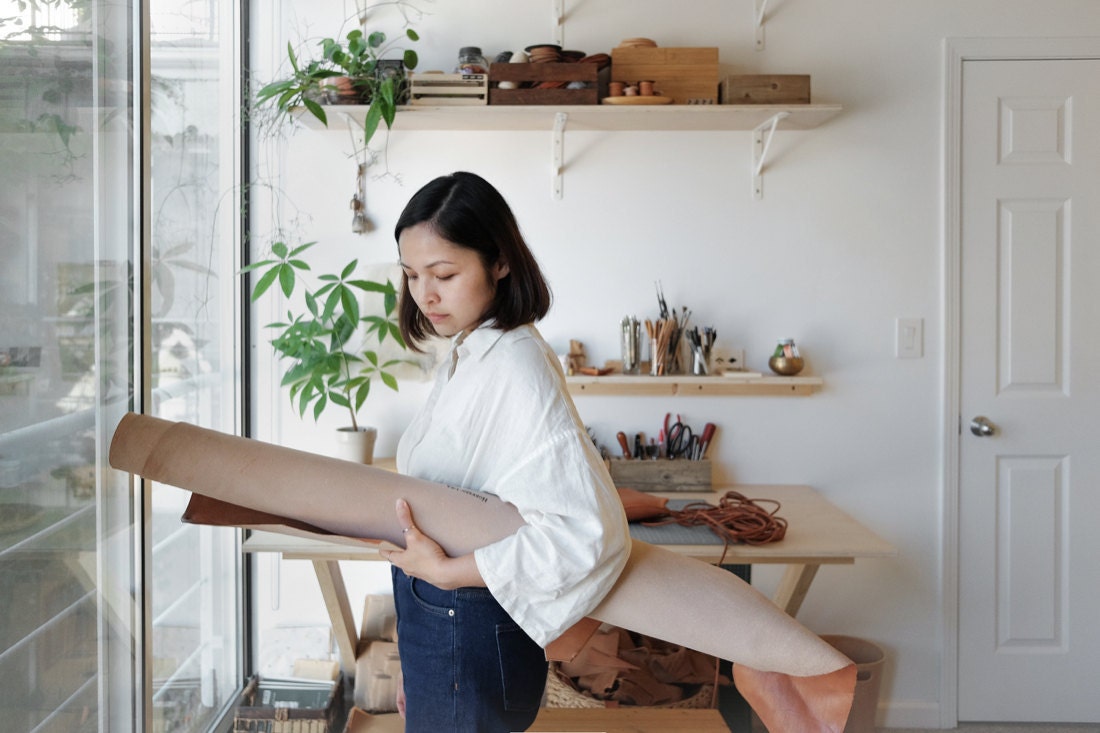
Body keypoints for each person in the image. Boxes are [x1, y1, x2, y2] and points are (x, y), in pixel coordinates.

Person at [378, 171, 631, 732]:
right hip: (441, 629)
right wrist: (417, 658)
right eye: (412, 275)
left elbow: (585, 532)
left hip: (464, 628)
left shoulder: (516, 365)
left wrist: (449, 573)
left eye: (444, 273)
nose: (426, 294)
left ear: (500, 262)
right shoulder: (473, 351)